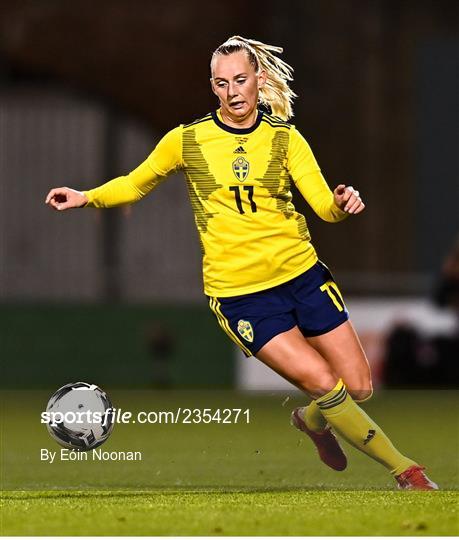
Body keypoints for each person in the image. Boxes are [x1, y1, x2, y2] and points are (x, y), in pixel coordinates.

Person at [45, 35, 437, 490]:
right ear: (213, 87)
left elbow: (323, 206)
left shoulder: (286, 138)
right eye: (221, 82)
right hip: (241, 294)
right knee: (322, 381)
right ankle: (406, 470)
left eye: (240, 80)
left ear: (259, 80)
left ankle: (312, 422)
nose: (232, 91)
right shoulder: (187, 140)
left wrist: (341, 201)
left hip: (303, 277)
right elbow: (135, 185)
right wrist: (86, 196)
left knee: (359, 385)